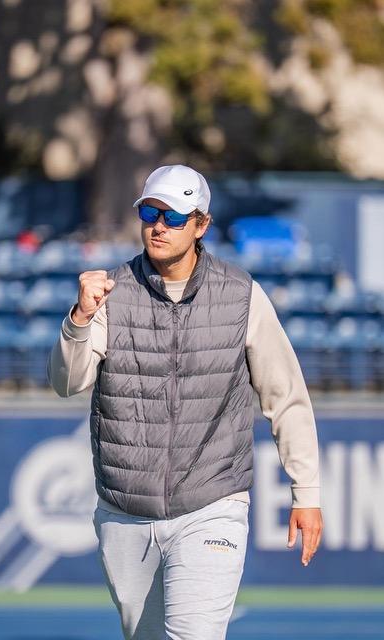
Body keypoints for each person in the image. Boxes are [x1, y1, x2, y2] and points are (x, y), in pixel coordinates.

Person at [48, 164, 323, 640]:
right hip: (125, 510)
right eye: (151, 212)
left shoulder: (243, 296)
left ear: (201, 225)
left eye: (173, 217)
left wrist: (308, 493)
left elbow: (287, 398)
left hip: (213, 504)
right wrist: (79, 318)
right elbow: (66, 383)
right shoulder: (109, 294)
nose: (158, 225)